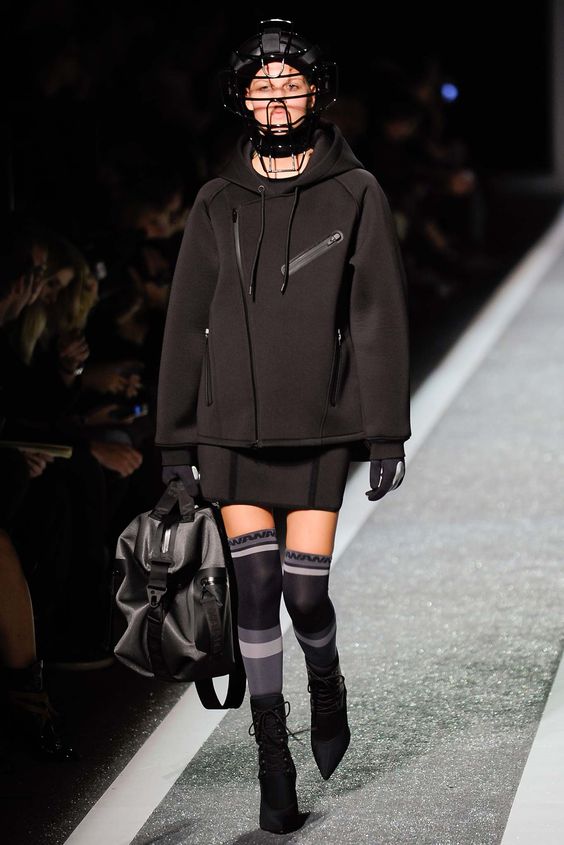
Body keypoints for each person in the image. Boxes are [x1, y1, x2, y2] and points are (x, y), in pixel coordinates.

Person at [156, 18, 411, 835]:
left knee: (306, 593)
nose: (274, 96)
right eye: (260, 84)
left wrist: (386, 431)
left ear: (314, 92)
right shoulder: (215, 201)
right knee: (258, 589)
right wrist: (174, 439)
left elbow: (375, 315)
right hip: (230, 427)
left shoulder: (356, 192)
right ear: (240, 96)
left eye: (288, 83)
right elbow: (184, 321)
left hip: (319, 425)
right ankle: (275, 760)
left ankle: (325, 678)